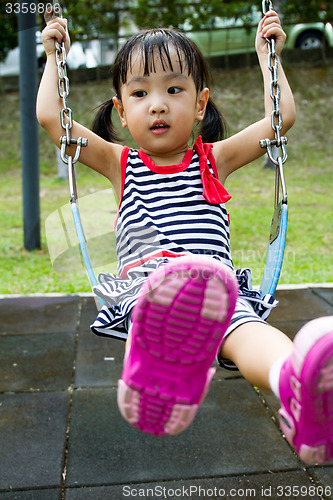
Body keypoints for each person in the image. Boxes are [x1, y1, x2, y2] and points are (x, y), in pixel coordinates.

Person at [37, 10, 333, 465]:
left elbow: (281, 119)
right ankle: (163, 358)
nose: (157, 104)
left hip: (215, 289)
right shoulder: (121, 163)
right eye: (140, 93)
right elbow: (52, 119)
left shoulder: (213, 159)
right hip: (149, 288)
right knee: (173, 289)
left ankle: (298, 386)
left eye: (174, 90)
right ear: (121, 108)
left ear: (200, 104)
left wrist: (267, 58)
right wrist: (54, 57)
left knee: (251, 329)